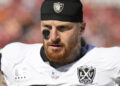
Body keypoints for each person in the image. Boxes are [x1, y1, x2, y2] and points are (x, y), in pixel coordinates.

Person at [0, 0, 120, 86]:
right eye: (47, 27)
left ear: (81, 29)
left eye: (63, 28)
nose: (53, 37)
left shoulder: (111, 61)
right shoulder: (14, 56)